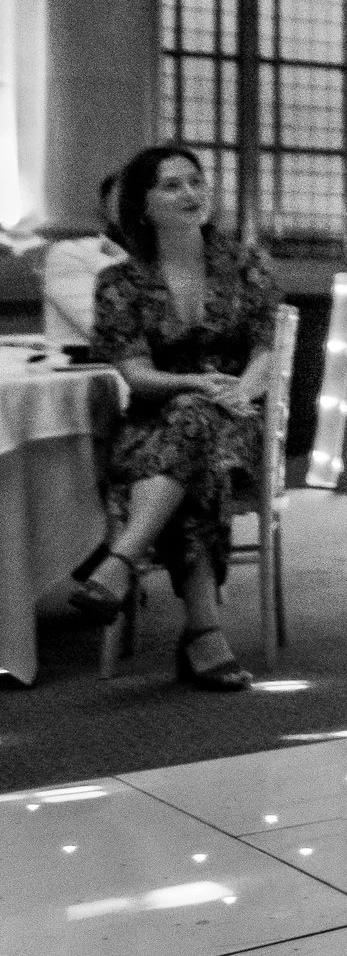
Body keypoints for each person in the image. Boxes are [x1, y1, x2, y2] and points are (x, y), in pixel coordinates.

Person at [65, 145, 282, 690]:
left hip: (238, 421)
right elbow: (137, 376)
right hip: (152, 422)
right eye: (172, 186)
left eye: (196, 181)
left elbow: (265, 349)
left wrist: (240, 393)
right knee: (190, 427)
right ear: (142, 205)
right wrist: (192, 383)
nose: (190, 194)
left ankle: (120, 562)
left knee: (197, 428)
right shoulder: (120, 282)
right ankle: (203, 636)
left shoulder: (244, 264)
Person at [41, 175, 126, 347]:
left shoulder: (184, 256)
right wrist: (124, 261)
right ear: (105, 208)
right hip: (90, 369)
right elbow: (111, 333)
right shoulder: (72, 253)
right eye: (126, 197)